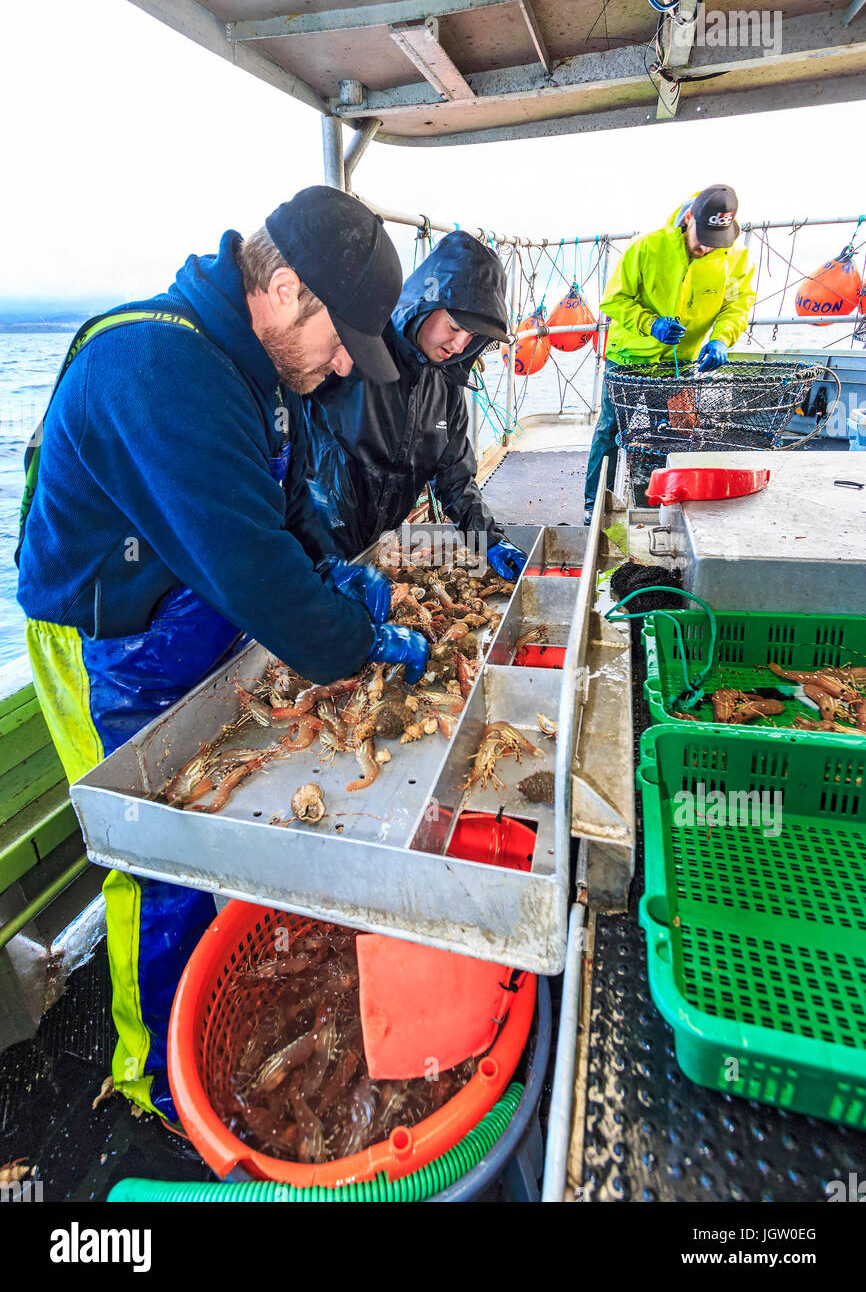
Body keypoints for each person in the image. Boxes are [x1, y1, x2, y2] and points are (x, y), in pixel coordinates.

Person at [16, 186, 429, 1126]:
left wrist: (334, 568)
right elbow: (255, 572)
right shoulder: (160, 367)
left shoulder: (251, 365)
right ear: (285, 289)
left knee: (217, 823)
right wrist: (355, 639)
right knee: (152, 850)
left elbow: (277, 518)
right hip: (104, 634)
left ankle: (229, 996)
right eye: (336, 343)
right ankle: (153, 1077)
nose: (335, 370)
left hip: (188, 600)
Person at [298, 230, 527, 580]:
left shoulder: (447, 383)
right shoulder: (356, 346)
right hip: (312, 544)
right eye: (454, 326)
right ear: (426, 303)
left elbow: (455, 478)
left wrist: (489, 540)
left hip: (373, 548)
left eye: (473, 337)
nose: (459, 344)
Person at [583, 184, 756, 521]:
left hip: (681, 363)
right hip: (628, 360)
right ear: (689, 217)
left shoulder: (734, 256)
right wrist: (651, 324)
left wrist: (721, 338)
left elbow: (738, 305)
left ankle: (664, 506)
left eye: (715, 240)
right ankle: (595, 506)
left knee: (678, 430)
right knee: (610, 432)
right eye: (702, 236)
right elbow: (613, 300)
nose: (706, 247)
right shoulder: (647, 247)